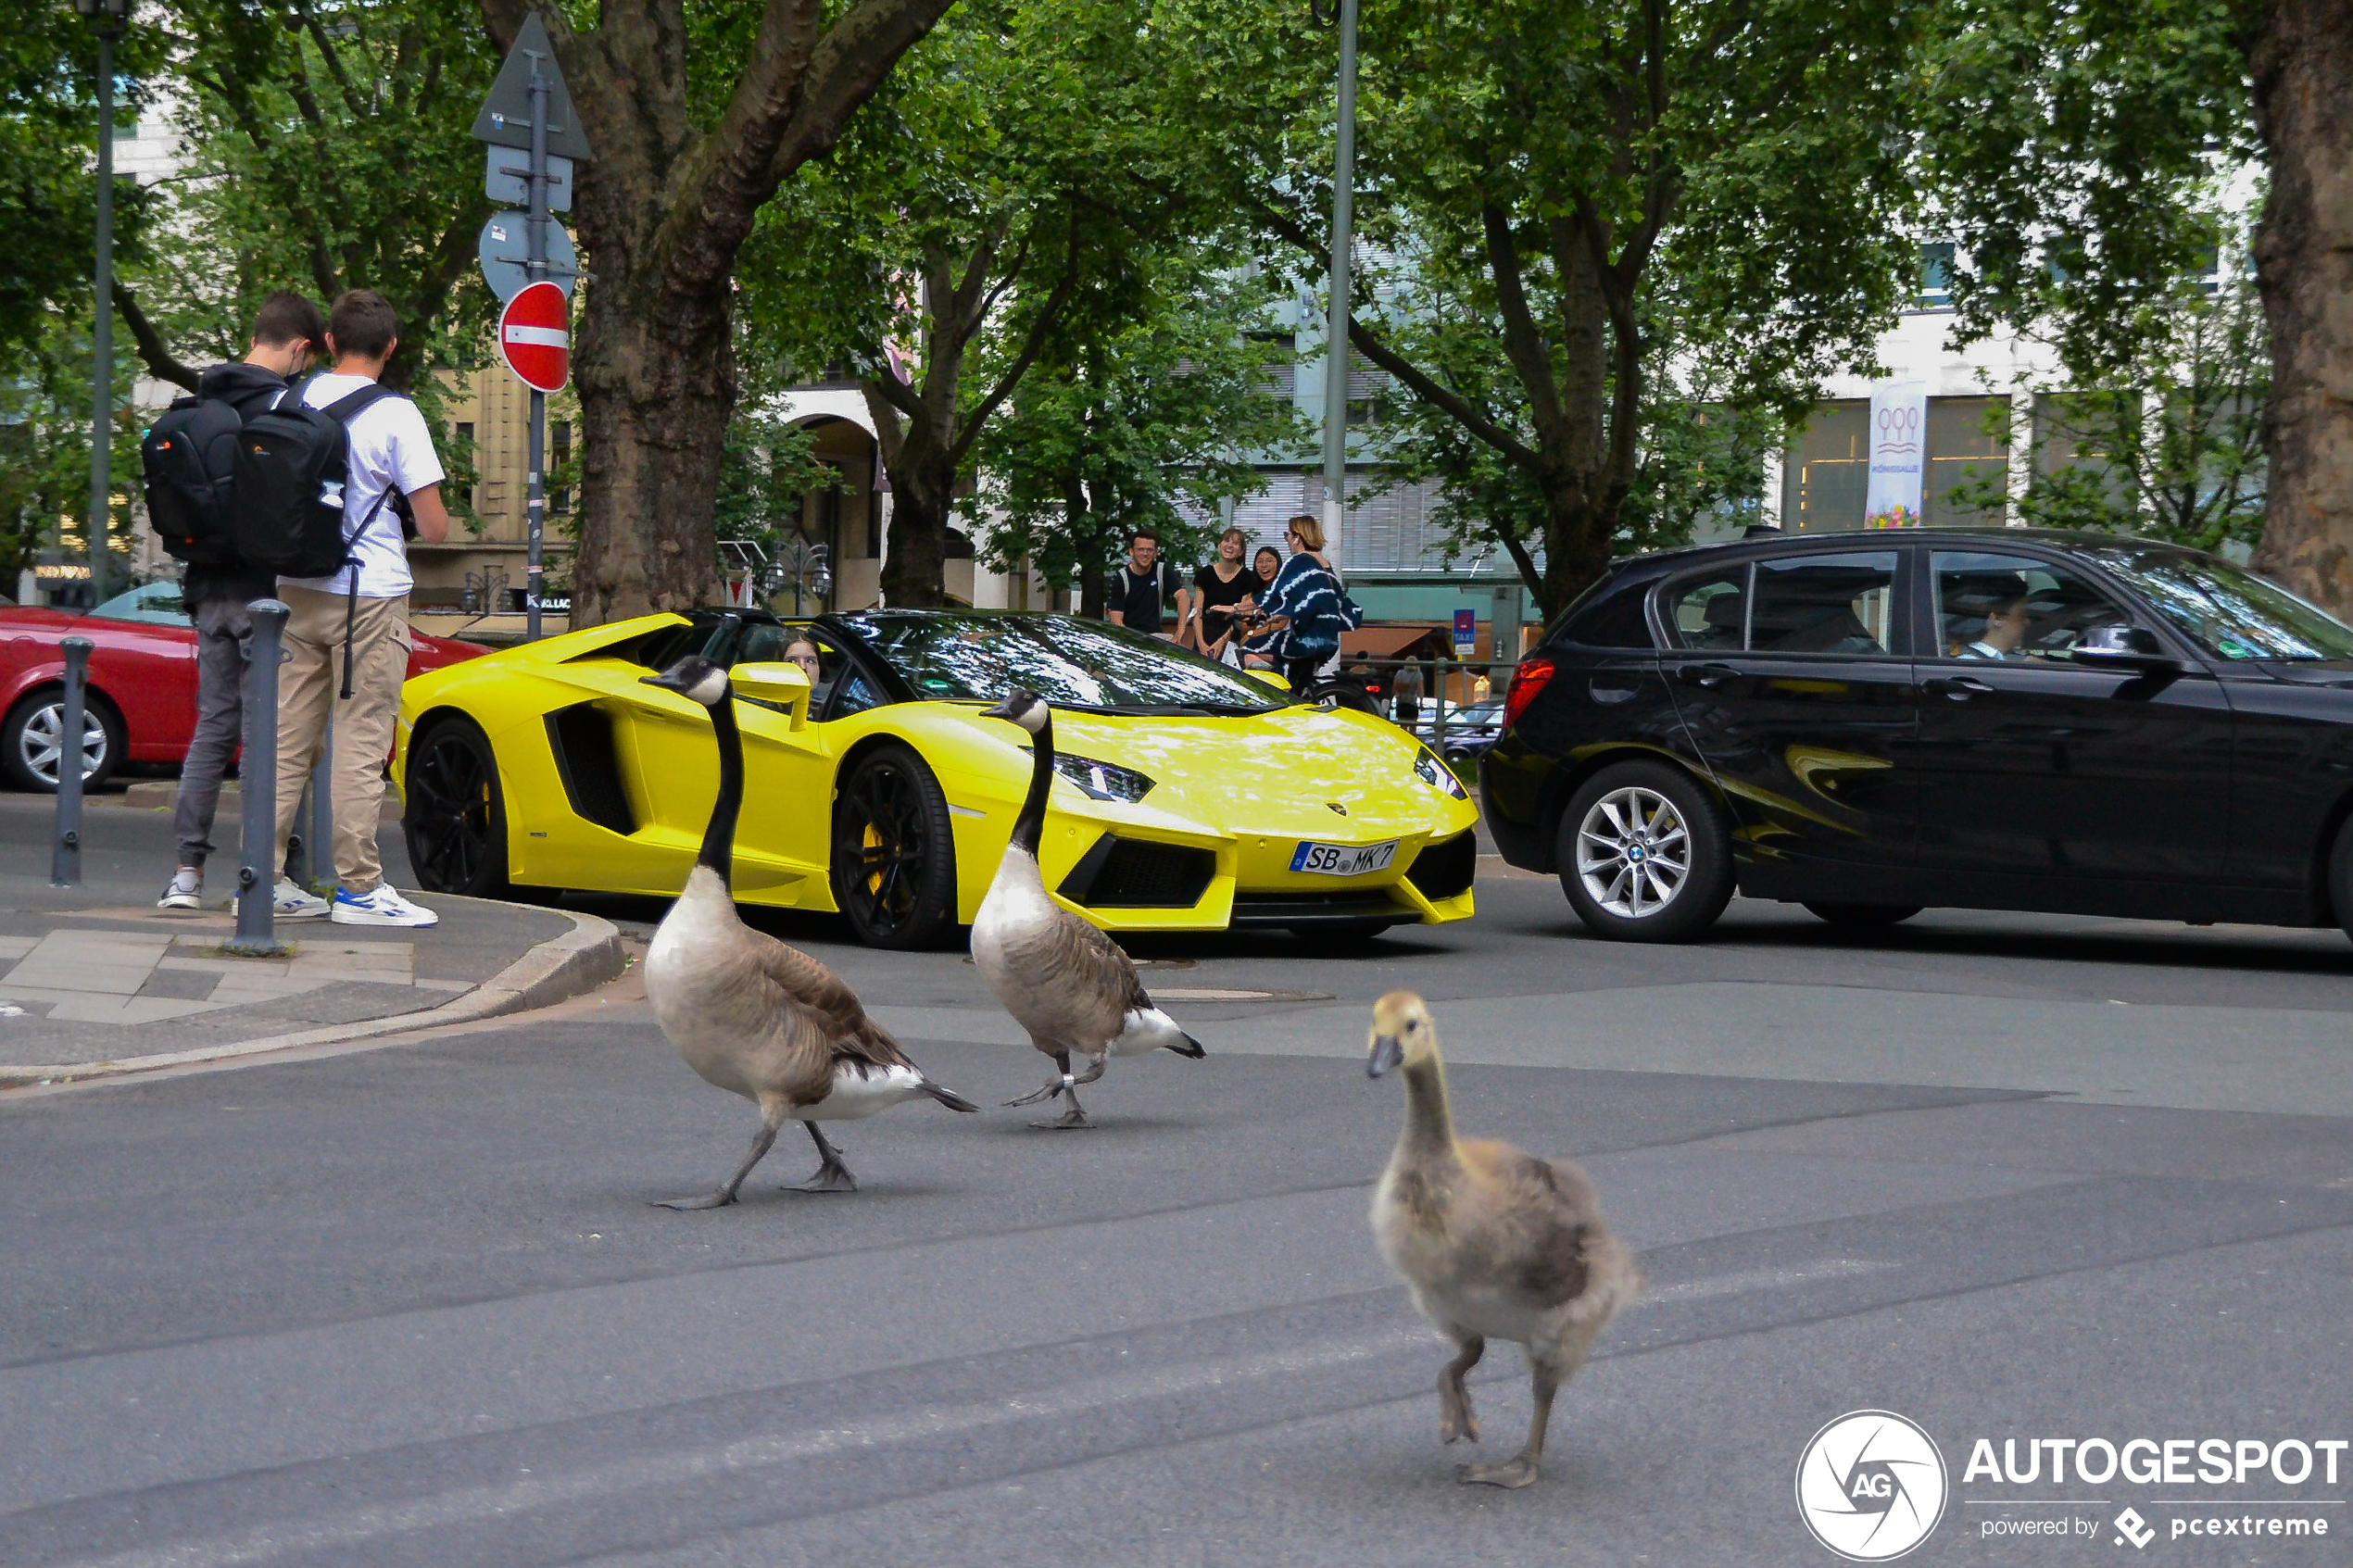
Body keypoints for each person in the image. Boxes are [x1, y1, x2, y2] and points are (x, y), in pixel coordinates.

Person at [269, 289, 451, 927]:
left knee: (286, 739)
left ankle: (260, 880)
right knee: (362, 738)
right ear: (391, 348)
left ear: (326, 343)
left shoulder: (289, 399)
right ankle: (360, 889)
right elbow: (434, 528)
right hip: (367, 595)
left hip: (292, 589)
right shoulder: (397, 414)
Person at [157, 291, 326, 910]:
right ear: (299, 347)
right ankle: (261, 877)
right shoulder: (283, 406)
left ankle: (185, 876)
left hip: (206, 593)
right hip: (267, 599)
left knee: (212, 730)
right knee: (266, 739)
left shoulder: (199, 402)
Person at [1256, 514, 1353, 691]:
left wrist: (1235, 608)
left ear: (1297, 538)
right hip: (1327, 638)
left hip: (1307, 639)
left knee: (1256, 652)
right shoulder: (1324, 563)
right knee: (1301, 685)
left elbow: (1273, 595)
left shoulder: (1300, 560)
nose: (1287, 540)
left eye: (1288, 535)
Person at [1104, 528, 1189, 640]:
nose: (1145, 554)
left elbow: (1183, 596)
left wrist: (1180, 630)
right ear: (1131, 552)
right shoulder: (1121, 578)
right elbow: (1115, 620)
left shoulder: (1162, 571)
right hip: (1128, 637)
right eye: (1141, 550)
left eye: (1149, 550)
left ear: (1155, 553)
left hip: (1155, 637)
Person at [1191, 527, 1254, 660]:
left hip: (1230, 638)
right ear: (1219, 545)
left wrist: (1222, 642)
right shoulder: (1205, 574)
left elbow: (1242, 616)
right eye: (1226, 541)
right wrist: (1201, 643)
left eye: (1235, 543)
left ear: (1241, 551)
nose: (1230, 545)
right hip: (1204, 634)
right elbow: (1196, 613)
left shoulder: (1247, 577)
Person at [1238, 546, 1284, 667]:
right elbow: (1244, 626)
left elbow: (1279, 625)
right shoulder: (1251, 595)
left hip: (1280, 642)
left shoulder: (1284, 591)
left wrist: (1251, 635)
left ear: (1278, 564)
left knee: (1246, 653)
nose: (1264, 565)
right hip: (1255, 643)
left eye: (1269, 560)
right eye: (1260, 561)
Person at [1960, 596, 2034, 661]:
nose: (2027, 622)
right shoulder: (1970, 661)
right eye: (2021, 616)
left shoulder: (2013, 658)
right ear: (1996, 620)